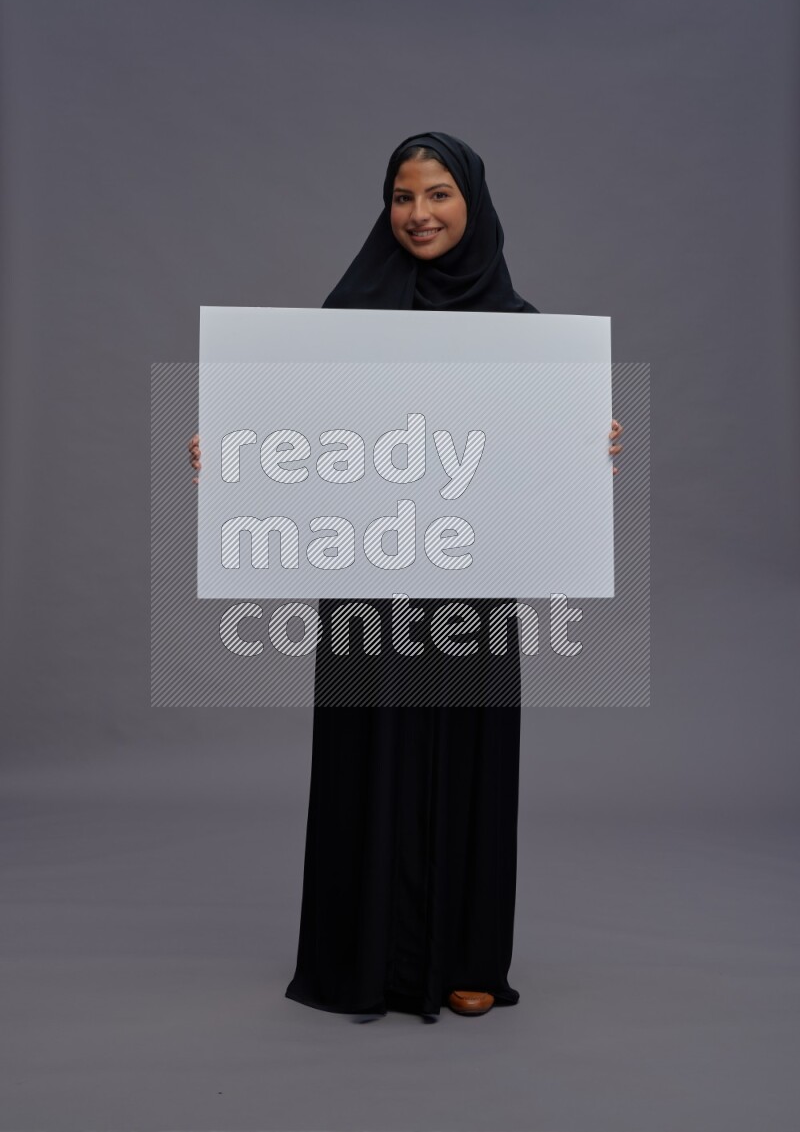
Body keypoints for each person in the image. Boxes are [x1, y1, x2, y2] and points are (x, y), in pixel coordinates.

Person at [188, 131, 623, 1021]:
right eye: (401, 196)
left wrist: (592, 447)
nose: (418, 214)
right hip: (369, 580)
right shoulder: (349, 313)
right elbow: (297, 438)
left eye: (437, 195)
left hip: (470, 588)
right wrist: (230, 450)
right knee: (368, 752)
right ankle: (363, 959)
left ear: (473, 202)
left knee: (467, 755)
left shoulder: (520, 332)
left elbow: (540, 467)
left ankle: (468, 957)